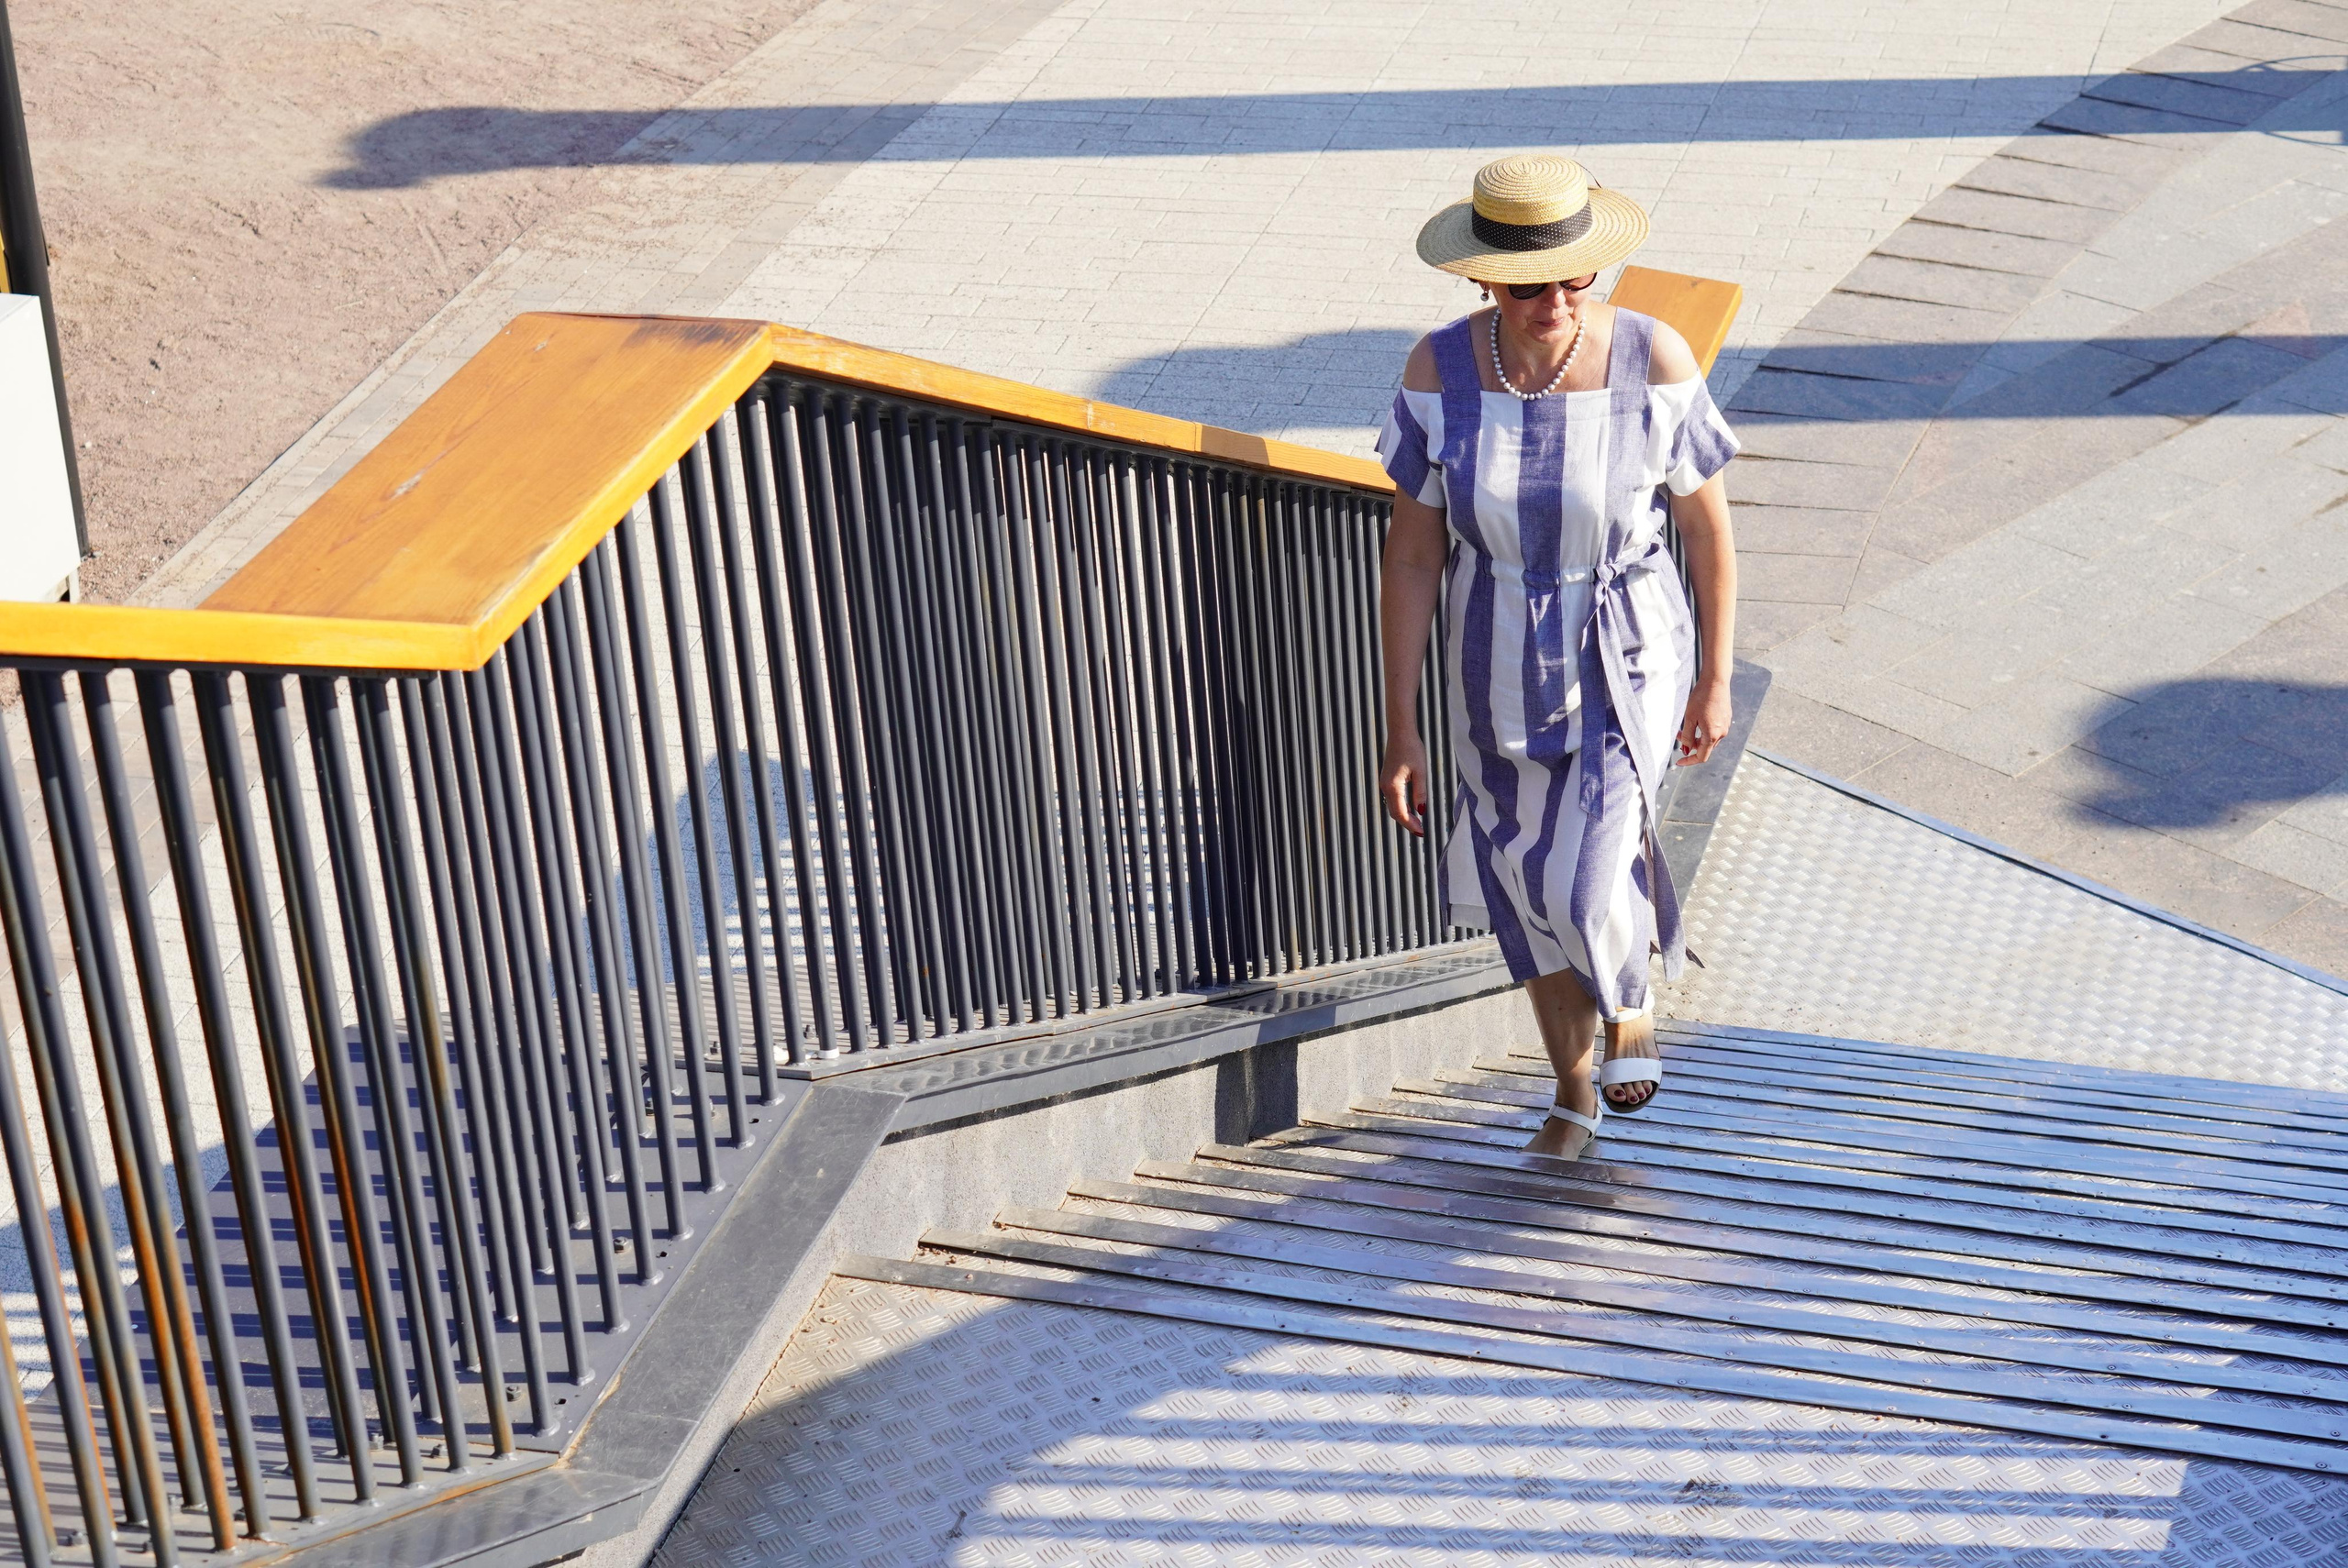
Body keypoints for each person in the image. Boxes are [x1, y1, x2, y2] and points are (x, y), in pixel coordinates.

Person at [1376, 153, 1739, 1160]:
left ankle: (1629, 1003)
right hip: (1483, 653)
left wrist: (1714, 672)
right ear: (1481, 276)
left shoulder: (1652, 357)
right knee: (1518, 883)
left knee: (1582, 880)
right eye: (1528, 283)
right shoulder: (1436, 369)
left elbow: (1705, 529)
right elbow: (1411, 558)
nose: (1554, 299)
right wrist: (1399, 725)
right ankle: (1572, 1095)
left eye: (1574, 276)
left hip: (1629, 644)